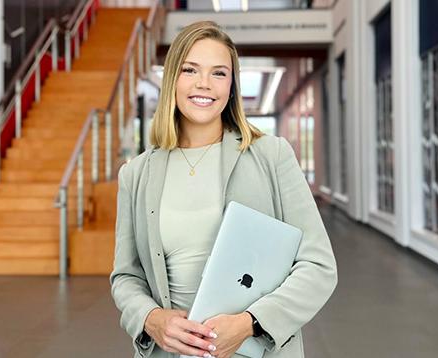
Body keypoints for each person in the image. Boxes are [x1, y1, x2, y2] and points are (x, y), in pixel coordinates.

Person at [110, 21, 338, 358]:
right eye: (190, 70)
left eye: (219, 73)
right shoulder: (136, 174)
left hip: (253, 350)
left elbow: (318, 266)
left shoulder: (271, 156)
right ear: (172, 79)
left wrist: (250, 323)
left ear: (231, 86)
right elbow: (126, 276)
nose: (204, 84)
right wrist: (152, 319)